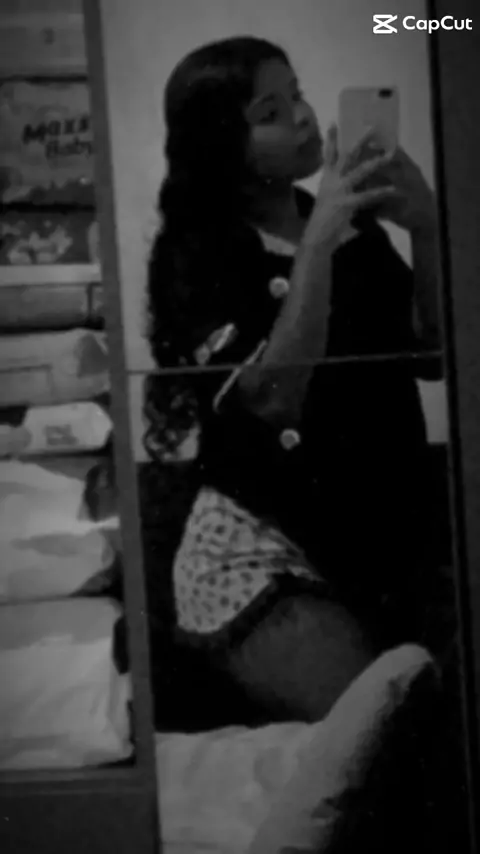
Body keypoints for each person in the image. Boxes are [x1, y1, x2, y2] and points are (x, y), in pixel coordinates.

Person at [144, 36, 443, 723]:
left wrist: (426, 227)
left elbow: (430, 356)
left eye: (298, 95)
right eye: (271, 113)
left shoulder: (349, 223)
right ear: (223, 143)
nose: (305, 117)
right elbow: (274, 401)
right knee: (385, 723)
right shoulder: (196, 252)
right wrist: (319, 243)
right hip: (258, 552)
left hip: (376, 537)